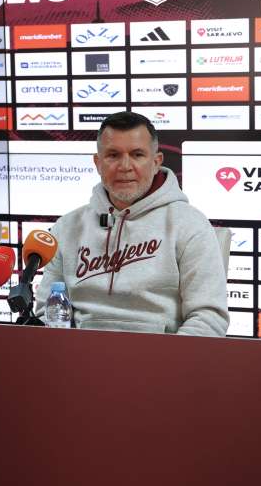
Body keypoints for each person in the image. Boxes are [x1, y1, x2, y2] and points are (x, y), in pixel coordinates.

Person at [35, 111, 229, 336]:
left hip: (161, 354)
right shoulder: (66, 227)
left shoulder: (190, 225)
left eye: (137, 155)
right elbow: (46, 312)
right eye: (113, 155)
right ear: (98, 163)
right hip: (80, 353)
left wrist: (168, 358)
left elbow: (209, 317)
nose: (125, 166)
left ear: (156, 162)